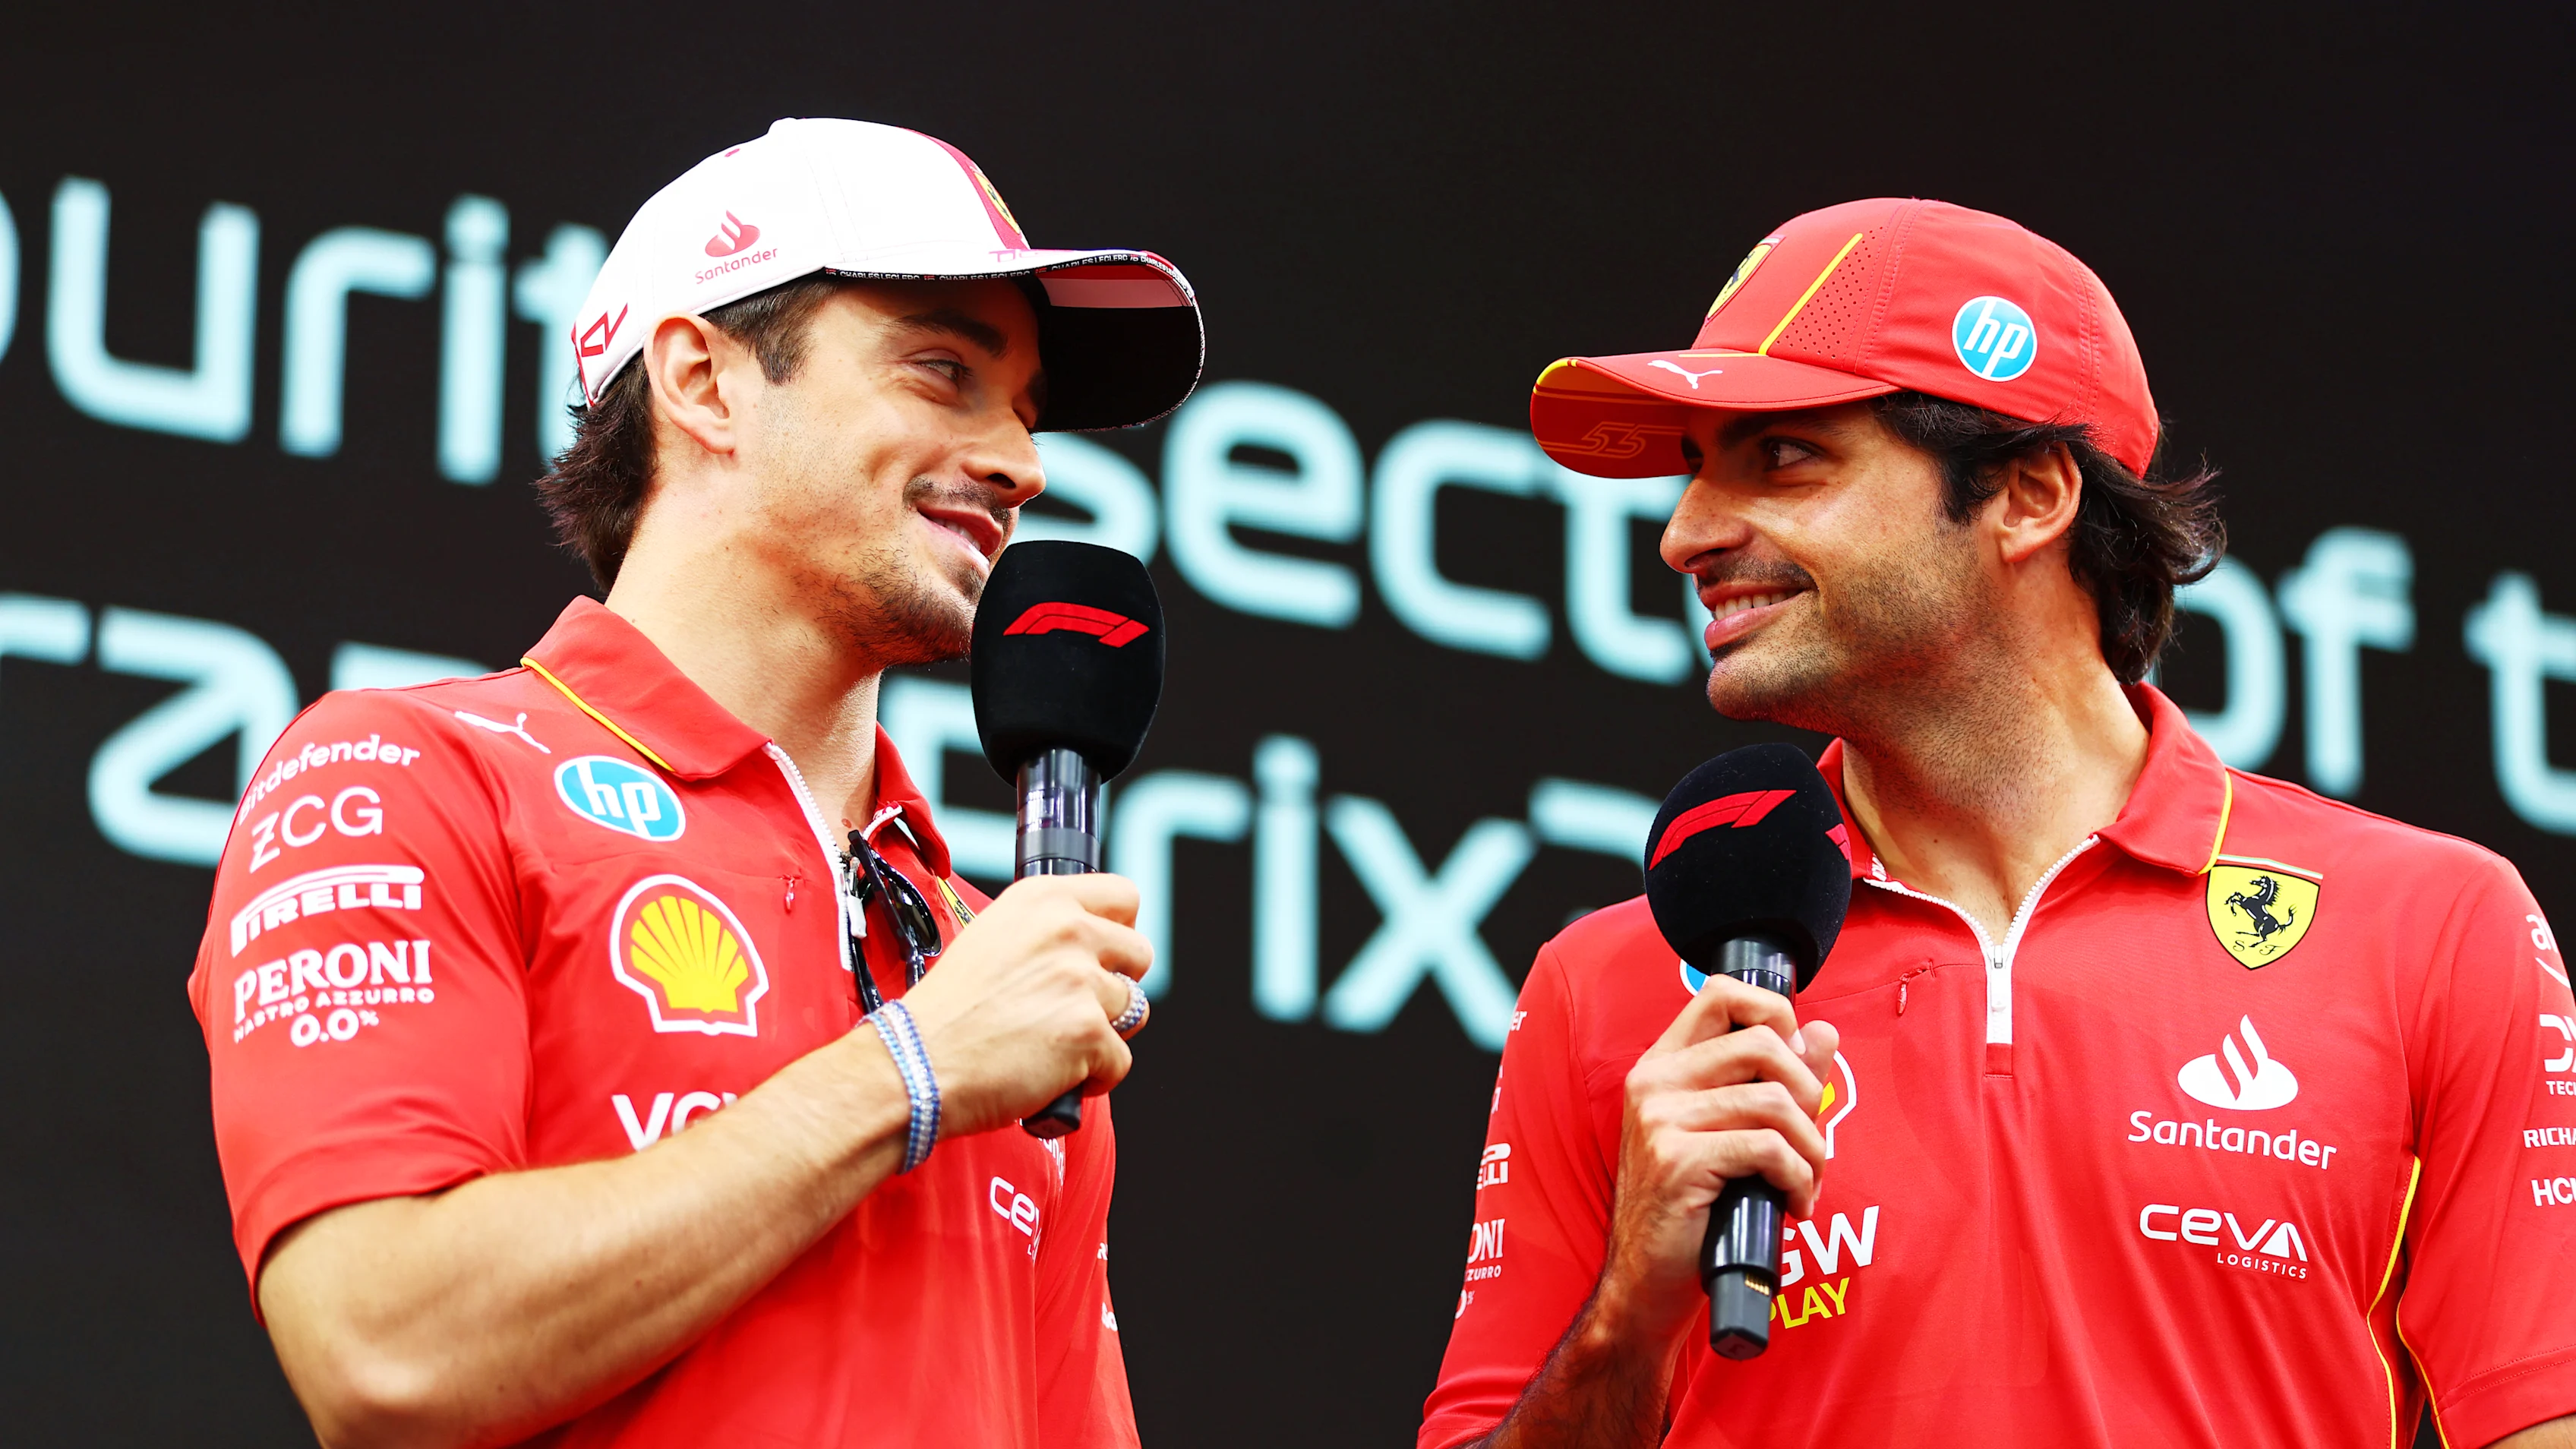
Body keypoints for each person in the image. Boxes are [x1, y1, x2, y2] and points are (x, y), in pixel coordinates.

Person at [1419, 198, 2576, 1447]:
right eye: (1698, 467)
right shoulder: (1605, 985)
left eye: (1782, 457)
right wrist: (1628, 1316)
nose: (1685, 533)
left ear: (2028, 494)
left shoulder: (2430, 927)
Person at [185, 117, 1203, 1448]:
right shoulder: (408, 771)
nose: (1026, 465)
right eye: (941, 369)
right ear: (704, 381)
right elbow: (385, 1347)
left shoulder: (984, 957)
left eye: (1020, 409)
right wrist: (910, 1070)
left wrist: (949, 1036)